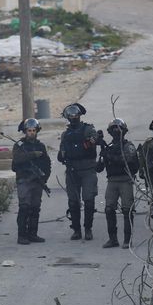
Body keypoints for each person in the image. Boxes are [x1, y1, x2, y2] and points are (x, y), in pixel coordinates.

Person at [57, 103, 100, 240]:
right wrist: (64, 155)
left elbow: (94, 140)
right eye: (71, 115)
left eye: (76, 114)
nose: (74, 117)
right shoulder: (65, 134)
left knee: (88, 200)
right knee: (73, 202)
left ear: (80, 115)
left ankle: (88, 228)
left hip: (87, 170)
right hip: (72, 171)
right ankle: (76, 229)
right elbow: (62, 153)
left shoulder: (88, 129)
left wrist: (87, 144)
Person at [96, 118, 139, 248]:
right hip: (112, 181)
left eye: (118, 129)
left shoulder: (128, 146)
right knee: (109, 209)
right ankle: (113, 239)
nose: (116, 131)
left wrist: (109, 156)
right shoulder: (108, 147)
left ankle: (127, 240)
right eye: (113, 129)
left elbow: (127, 160)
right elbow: (99, 168)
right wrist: (101, 155)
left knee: (127, 210)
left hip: (125, 180)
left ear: (124, 131)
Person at [11, 118, 51, 245]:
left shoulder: (41, 146)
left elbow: (47, 163)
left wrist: (44, 177)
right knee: (24, 207)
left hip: (37, 181)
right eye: (29, 130)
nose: (32, 133)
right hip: (24, 180)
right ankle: (22, 236)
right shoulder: (19, 146)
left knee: (35, 208)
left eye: (34, 130)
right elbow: (16, 161)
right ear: (25, 131)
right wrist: (32, 155)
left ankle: (32, 234)